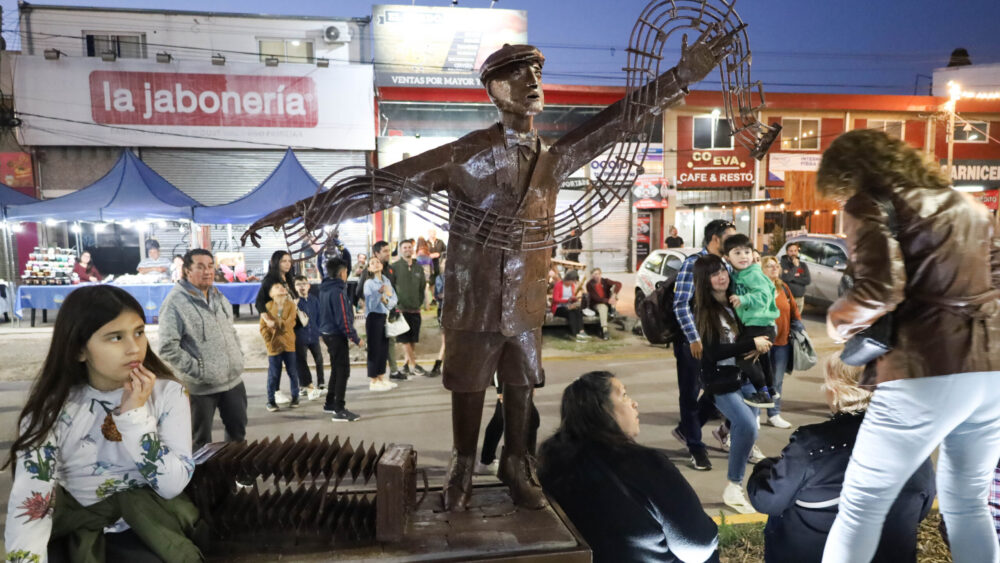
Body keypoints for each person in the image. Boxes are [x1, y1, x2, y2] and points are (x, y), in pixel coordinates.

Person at [244, 34, 738, 511]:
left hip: (524, 303)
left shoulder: (556, 158)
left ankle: (517, 463)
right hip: (473, 299)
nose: (533, 81)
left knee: (522, 385)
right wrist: (298, 211)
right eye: (518, 74)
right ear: (494, 89)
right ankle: (462, 463)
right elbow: (383, 187)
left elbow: (620, 120)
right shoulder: (466, 154)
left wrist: (682, 76)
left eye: (538, 72)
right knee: (469, 386)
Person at [817, 129, 1000, 563]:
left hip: (924, 367)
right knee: (969, 503)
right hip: (992, 368)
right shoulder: (973, 208)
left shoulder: (872, 203)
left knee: (861, 505)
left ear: (850, 173)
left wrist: (837, 325)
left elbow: (879, 290)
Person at [4, 285, 201, 562]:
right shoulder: (51, 410)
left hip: (151, 522)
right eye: (115, 337)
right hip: (75, 521)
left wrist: (134, 416)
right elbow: (32, 500)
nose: (134, 348)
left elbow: (170, 485)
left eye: (139, 332)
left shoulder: (168, 394)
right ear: (79, 350)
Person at [747, 355, 936, 563]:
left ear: (836, 391)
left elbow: (767, 499)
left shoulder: (810, 445)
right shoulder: (914, 443)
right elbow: (923, 505)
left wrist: (765, 468)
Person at [537, 371, 720, 562]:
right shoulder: (646, 464)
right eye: (624, 395)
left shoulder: (551, 462)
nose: (634, 403)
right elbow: (698, 545)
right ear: (603, 410)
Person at [691, 253, 771, 514]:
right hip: (720, 380)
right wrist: (751, 344)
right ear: (705, 280)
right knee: (747, 425)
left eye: (722, 271)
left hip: (744, 375)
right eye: (714, 274)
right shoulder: (704, 311)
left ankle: (733, 472)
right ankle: (733, 487)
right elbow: (712, 352)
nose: (722, 276)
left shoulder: (734, 302)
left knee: (751, 428)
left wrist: (757, 345)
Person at [159, 248, 246, 452]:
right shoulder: (174, 303)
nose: (207, 272)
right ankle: (203, 481)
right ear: (187, 271)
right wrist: (200, 370)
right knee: (201, 441)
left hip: (232, 381)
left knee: (238, 434)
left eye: (210, 266)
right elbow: (167, 347)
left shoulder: (218, 296)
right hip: (201, 388)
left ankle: (237, 474)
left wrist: (238, 357)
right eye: (200, 267)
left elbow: (230, 331)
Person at [672, 219, 737, 471]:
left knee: (720, 387)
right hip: (692, 340)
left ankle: (687, 428)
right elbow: (680, 304)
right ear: (715, 239)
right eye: (729, 238)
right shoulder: (693, 264)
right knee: (689, 393)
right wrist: (693, 338)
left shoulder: (727, 267)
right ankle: (696, 448)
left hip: (718, 341)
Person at [724, 234, 779, 407]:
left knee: (744, 359)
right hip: (757, 324)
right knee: (760, 359)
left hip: (759, 324)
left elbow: (763, 295)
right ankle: (770, 390)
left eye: (747, 252)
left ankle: (764, 393)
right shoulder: (739, 274)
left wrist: (745, 299)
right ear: (727, 257)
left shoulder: (753, 273)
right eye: (737, 253)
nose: (744, 256)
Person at [318, 257, 363, 422]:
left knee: (337, 369)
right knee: (343, 370)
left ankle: (330, 403)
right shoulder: (337, 291)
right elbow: (343, 319)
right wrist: (355, 338)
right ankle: (339, 409)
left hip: (326, 333)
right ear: (342, 273)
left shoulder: (324, 288)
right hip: (336, 335)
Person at [760, 256, 800, 429]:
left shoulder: (783, 287)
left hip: (782, 342)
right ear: (761, 270)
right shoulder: (758, 288)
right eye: (769, 266)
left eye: (776, 265)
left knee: (777, 381)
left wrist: (800, 329)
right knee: (758, 379)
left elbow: (794, 311)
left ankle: (774, 414)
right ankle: (754, 415)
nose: (775, 268)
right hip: (762, 344)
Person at [477, 379, 541, 476]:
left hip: (520, 378)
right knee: (532, 419)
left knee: (500, 419)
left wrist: (532, 382)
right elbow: (498, 364)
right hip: (511, 380)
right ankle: (526, 466)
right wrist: (500, 389)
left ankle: (487, 461)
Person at [360, 241, 400, 377]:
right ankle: (374, 378)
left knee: (384, 348)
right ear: (369, 269)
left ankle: (382, 376)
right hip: (373, 317)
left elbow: (393, 298)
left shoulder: (386, 280)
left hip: (385, 316)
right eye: (372, 263)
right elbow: (370, 304)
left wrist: (386, 301)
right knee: (374, 349)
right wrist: (379, 294)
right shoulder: (369, 283)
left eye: (377, 262)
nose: (376, 264)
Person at [259, 283, 300, 412]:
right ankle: (271, 401)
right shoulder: (267, 307)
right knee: (273, 375)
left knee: (293, 372)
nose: (282, 288)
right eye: (276, 287)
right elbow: (263, 327)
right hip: (274, 344)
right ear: (271, 294)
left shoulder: (291, 305)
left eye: (283, 287)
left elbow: (290, 323)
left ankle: (295, 397)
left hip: (289, 344)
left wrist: (275, 324)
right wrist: (268, 340)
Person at [392, 239, 427, 377]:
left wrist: (419, 302)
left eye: (409, 247)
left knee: (412, 340)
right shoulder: (394, 267)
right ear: (401, 250)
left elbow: (422, 286)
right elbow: (391, 287)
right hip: (401, 308)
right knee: (404, 339)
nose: (407, 249)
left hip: (415, 308)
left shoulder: (418, 267)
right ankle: (415, 365)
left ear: (412, 249)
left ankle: (406, 365)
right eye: (404, 247)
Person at [293, 275, 324, 399]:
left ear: (309, 285)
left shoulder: (314, 299)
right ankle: (304, 386)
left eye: (304, 283)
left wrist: (319, 332)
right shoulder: (294, 302)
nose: (302, 286)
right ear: (294, 287)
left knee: (319, 359)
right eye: (298, 284)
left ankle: (321, 383)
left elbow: (319, 316)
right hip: (300, 337)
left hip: (314, 335)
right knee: (302, 362)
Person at [255, 250, 299, 318]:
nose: (288, 264)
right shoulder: (269, 280)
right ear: (276, 262)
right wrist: (268, 320)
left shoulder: (289, 279)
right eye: (284, 261)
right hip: (277, 319)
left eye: (289, 261)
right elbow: (259, 302)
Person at [552, 269, 589, 341]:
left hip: (569, 305)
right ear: (568, 279)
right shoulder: (558, 285)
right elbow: (555, 299)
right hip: (558, 308)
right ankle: (575, 334)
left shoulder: (571, 286)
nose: (574, 283)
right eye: (573, 281)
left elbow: (571, 298)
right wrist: (567, 300)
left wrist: (574, 299)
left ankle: (582, 331)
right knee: (571, 313)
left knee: (578, 310)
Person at [586, 268, 621, 340]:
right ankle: (605, 330)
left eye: (598, 274)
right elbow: (596, 298)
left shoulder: (605, 281)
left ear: (600, 274)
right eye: (595, 274)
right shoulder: (589, 285)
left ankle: (612, 308)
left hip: (608, 301)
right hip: (597, 303)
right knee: (603, 307)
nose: (597, 276)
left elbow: (619, 284)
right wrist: (608, 300)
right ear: (592, 276)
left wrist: (614, 295)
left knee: (615, 290)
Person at [429, 254, 447, 378]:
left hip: (457, 313)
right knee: (446, 340)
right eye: (445, 263)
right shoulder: (440, 278)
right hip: (444, 310)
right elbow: (439, 295)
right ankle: (438, 364)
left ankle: (439, 365)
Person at [779, 242, 810, 313]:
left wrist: (792, 278)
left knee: (796, 322)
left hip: (800, 299)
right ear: (787, 252)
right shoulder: (782, 265)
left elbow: (807, 280)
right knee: (787, 322)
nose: (793, 253)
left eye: (795, 251)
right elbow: (786, 278)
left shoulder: (803, 265)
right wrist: (795, 267)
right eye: (791, 251)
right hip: (787, 299)